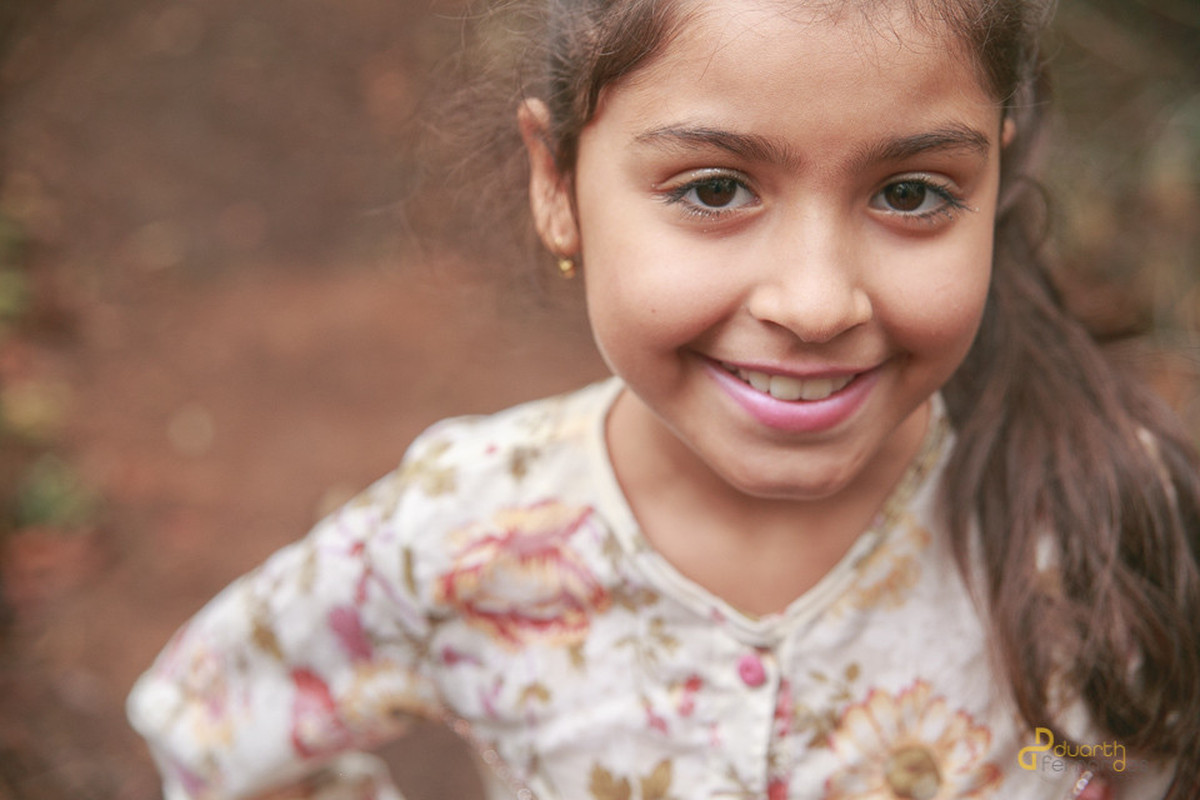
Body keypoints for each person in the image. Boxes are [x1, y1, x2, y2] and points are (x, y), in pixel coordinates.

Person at [127, 0, 1200, 798]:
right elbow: (215, 725)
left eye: (911, 193)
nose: (817, 301)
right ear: (558, 184)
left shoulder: (1104, 523)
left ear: (993, 185)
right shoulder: (457, 529)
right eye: (715, 189)